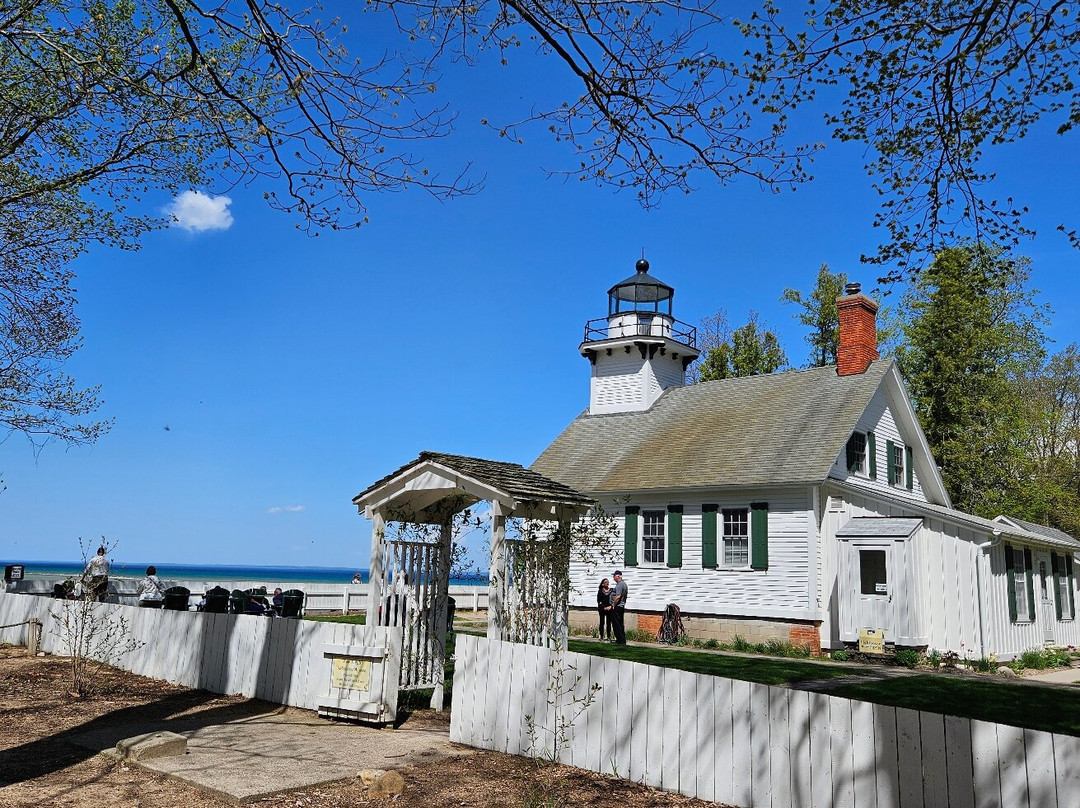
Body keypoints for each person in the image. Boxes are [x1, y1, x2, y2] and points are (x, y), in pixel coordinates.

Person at [610, 570, 628, 644]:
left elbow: (618, 596)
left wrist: (613, 605)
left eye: (614, 576)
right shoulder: (624, 584)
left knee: (616, 624)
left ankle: (619, 640)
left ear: (618, 576)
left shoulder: (620, 585)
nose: (613, 578)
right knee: (620, 624)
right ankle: (622, 640)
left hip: (617, 607)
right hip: (621, 606)